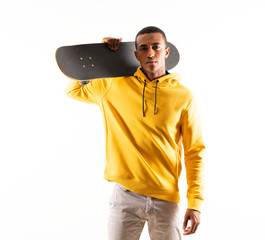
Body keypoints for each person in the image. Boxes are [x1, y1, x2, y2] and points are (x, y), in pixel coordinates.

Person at [64, 26, 205, 240]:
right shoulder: (113, 86)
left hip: (166, 199)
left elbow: (195, 151)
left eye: (156, 47)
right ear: (136, 54)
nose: (150, 53)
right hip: (125, 197)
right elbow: (73, 89)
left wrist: (195, 203)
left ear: (166, 52)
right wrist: (103, 59)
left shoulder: (184, 96)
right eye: (144, 48)